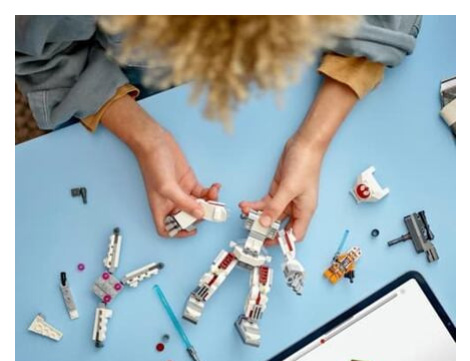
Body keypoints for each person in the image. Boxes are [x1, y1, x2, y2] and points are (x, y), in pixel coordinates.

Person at [15, 15, 422, 242]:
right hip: (153, 81)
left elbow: (388, 22)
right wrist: (145, 138)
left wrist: (311, 143)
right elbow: (43, 57)